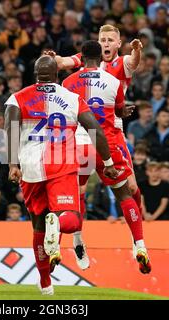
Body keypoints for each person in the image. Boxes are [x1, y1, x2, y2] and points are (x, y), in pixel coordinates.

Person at [5, 55, 119, 295]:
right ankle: (56, 222)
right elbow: (95, 129)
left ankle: (46, 284)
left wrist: (12, 164)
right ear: (57, 75)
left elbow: (10, 128)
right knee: (72, 220)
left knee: (37, 226)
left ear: (35, 74)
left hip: (31, 168)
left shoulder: (18, 97)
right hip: (62, 165)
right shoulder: (72, 98)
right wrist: (107, 161)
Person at [62, 40, 150, 274]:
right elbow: (119, 110)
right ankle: (139, 244)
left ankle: (78, 241)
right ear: (101, 56)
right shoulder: (113, 81)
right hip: (107, 144)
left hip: (80, 145)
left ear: (81, 58)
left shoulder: (68, 82)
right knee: (124, 194)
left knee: (78, 195)